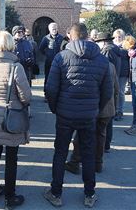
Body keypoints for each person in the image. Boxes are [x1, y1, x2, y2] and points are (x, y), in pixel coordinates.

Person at [43, 23, 112, 208]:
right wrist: (96, 108)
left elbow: (51, 89)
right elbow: (107, 92)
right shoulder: (102, 60)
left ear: (71, 36)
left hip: (65, 114)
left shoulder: (61, 57)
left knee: (60, 152)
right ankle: (89, 193)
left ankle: (56, 193)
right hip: (89, 115)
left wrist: (55, 108)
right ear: (87, 35)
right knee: (88, 153)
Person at [0, 31, 32, 209]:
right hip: (11, 117)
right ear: (11, 45)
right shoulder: (15, 67)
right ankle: (10, 197)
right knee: (11, 157)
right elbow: (26, 96)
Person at [65, 62, 118, 174]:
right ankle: (97, 164)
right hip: (107, 108)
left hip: (91, 107)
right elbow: (115, 89)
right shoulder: (110, 66)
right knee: (100, 136)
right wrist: (114, 108)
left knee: (80, 135)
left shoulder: (87, 64)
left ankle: (75, 162)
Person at [39, 22, 63, 98]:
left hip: (59, 62)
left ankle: (57, 94)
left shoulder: (61, 38)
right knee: (48, 78)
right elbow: (41, 49)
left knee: (58, 77)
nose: (55, 30)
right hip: (49, 62)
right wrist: (47, 54)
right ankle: (46, 95)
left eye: (56, 29)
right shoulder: (45, 38)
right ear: (49, 30)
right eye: (53, 29)